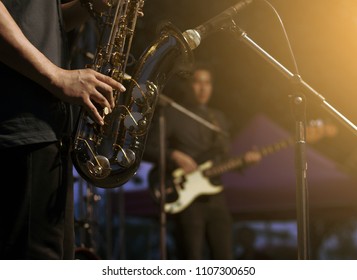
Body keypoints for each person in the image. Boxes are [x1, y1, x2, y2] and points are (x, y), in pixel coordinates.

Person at [0, 1, 126, 260]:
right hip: (21, 125)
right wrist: (56, 76)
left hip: (47, 129)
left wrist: (85, 6)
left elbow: (29, 23)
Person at [144, 63, 261, 259]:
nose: (203, 88)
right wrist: (174, 155)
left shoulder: (218, 118)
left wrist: (244, 162)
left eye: (207, 83)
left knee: (224, 257)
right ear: (188, 86)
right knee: (192, 257)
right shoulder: (173, 114)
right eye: (197, 82)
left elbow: (223, 158)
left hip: (215, 196)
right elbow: (147, 148)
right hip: (187, 200)